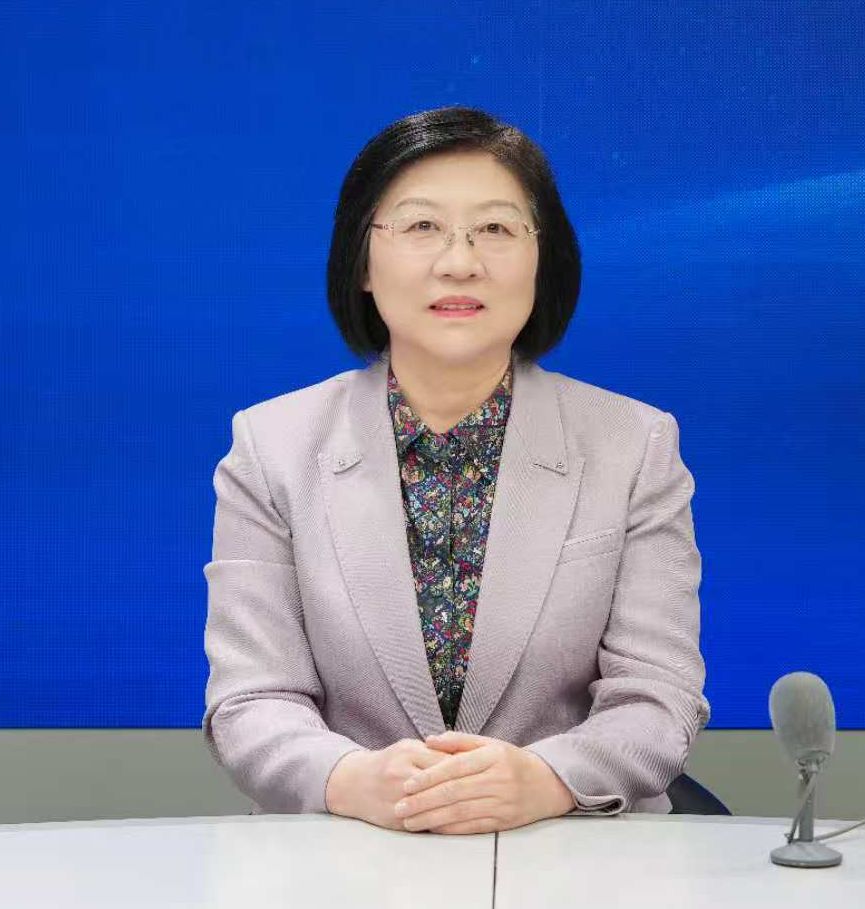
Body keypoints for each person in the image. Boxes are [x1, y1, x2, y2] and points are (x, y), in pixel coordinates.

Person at [202, 106, 710, 835]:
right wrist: (353, 779)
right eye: (421, 226)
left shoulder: (634, 445)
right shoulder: (271, 446)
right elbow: (251, 699)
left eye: (496, 229)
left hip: (573, 846)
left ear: (543, 258)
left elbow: (658, 696)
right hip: (346, 849)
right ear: (362, 262)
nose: (460, 261)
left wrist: (546, 777)